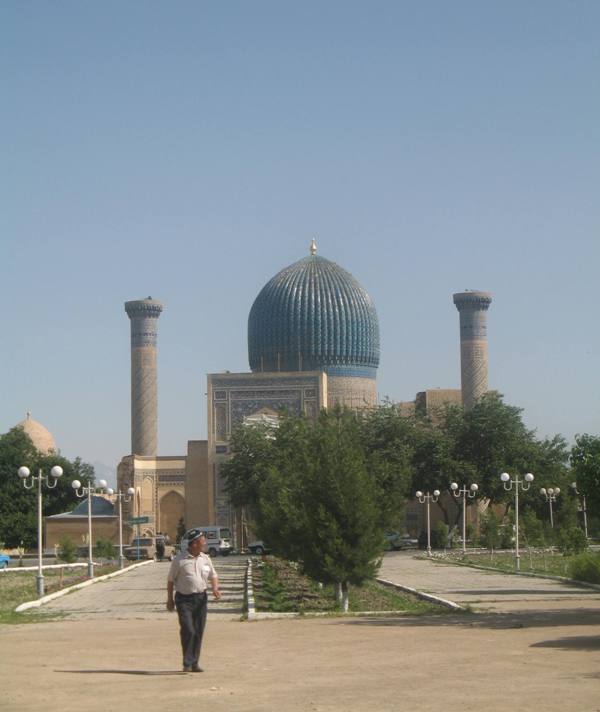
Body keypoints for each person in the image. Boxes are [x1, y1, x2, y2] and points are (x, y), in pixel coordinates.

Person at [166, 528, 221, 672]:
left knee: (198, 631)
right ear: (194, 543)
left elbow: (213, 575)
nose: (205, 543)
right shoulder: (180, 560)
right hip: (184, 599)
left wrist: (215, 588)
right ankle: (187, 661)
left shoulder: (205, 558)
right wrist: (169, 599)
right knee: (188, 629)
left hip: (201, 598)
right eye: (202, 540)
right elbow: (171, 580)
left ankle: (194, 663)